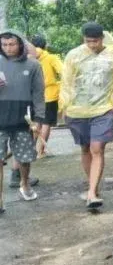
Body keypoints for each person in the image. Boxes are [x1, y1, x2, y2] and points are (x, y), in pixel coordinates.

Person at [60, 22, 113, 210]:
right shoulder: (73, 56)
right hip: (77, 109)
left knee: (97, 148)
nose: (92, 45)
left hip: (104, 109)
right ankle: (94, 187)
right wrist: (64, 105)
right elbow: (66, 82)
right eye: (88, 41)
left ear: (102, 38)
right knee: (85, 148)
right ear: (84, 39)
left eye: (95, 41)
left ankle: (91, 193)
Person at [0, 29, 45, 202]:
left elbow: (39, 94)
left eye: (12, 44)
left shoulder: (33, 65)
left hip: (24, 120)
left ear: (20, 44)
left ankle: (25, 183)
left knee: (25, 158)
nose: (8, 48)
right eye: (4, 45)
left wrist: (38, 119)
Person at [30, 35, 63, 159]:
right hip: (49, 95)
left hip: (34, 96)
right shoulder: (50, 57)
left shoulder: (29, 58)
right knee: (46, 124)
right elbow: (63, 71)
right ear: (45, 46)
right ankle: (41, 152)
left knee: (36, 123)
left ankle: (31, 151)